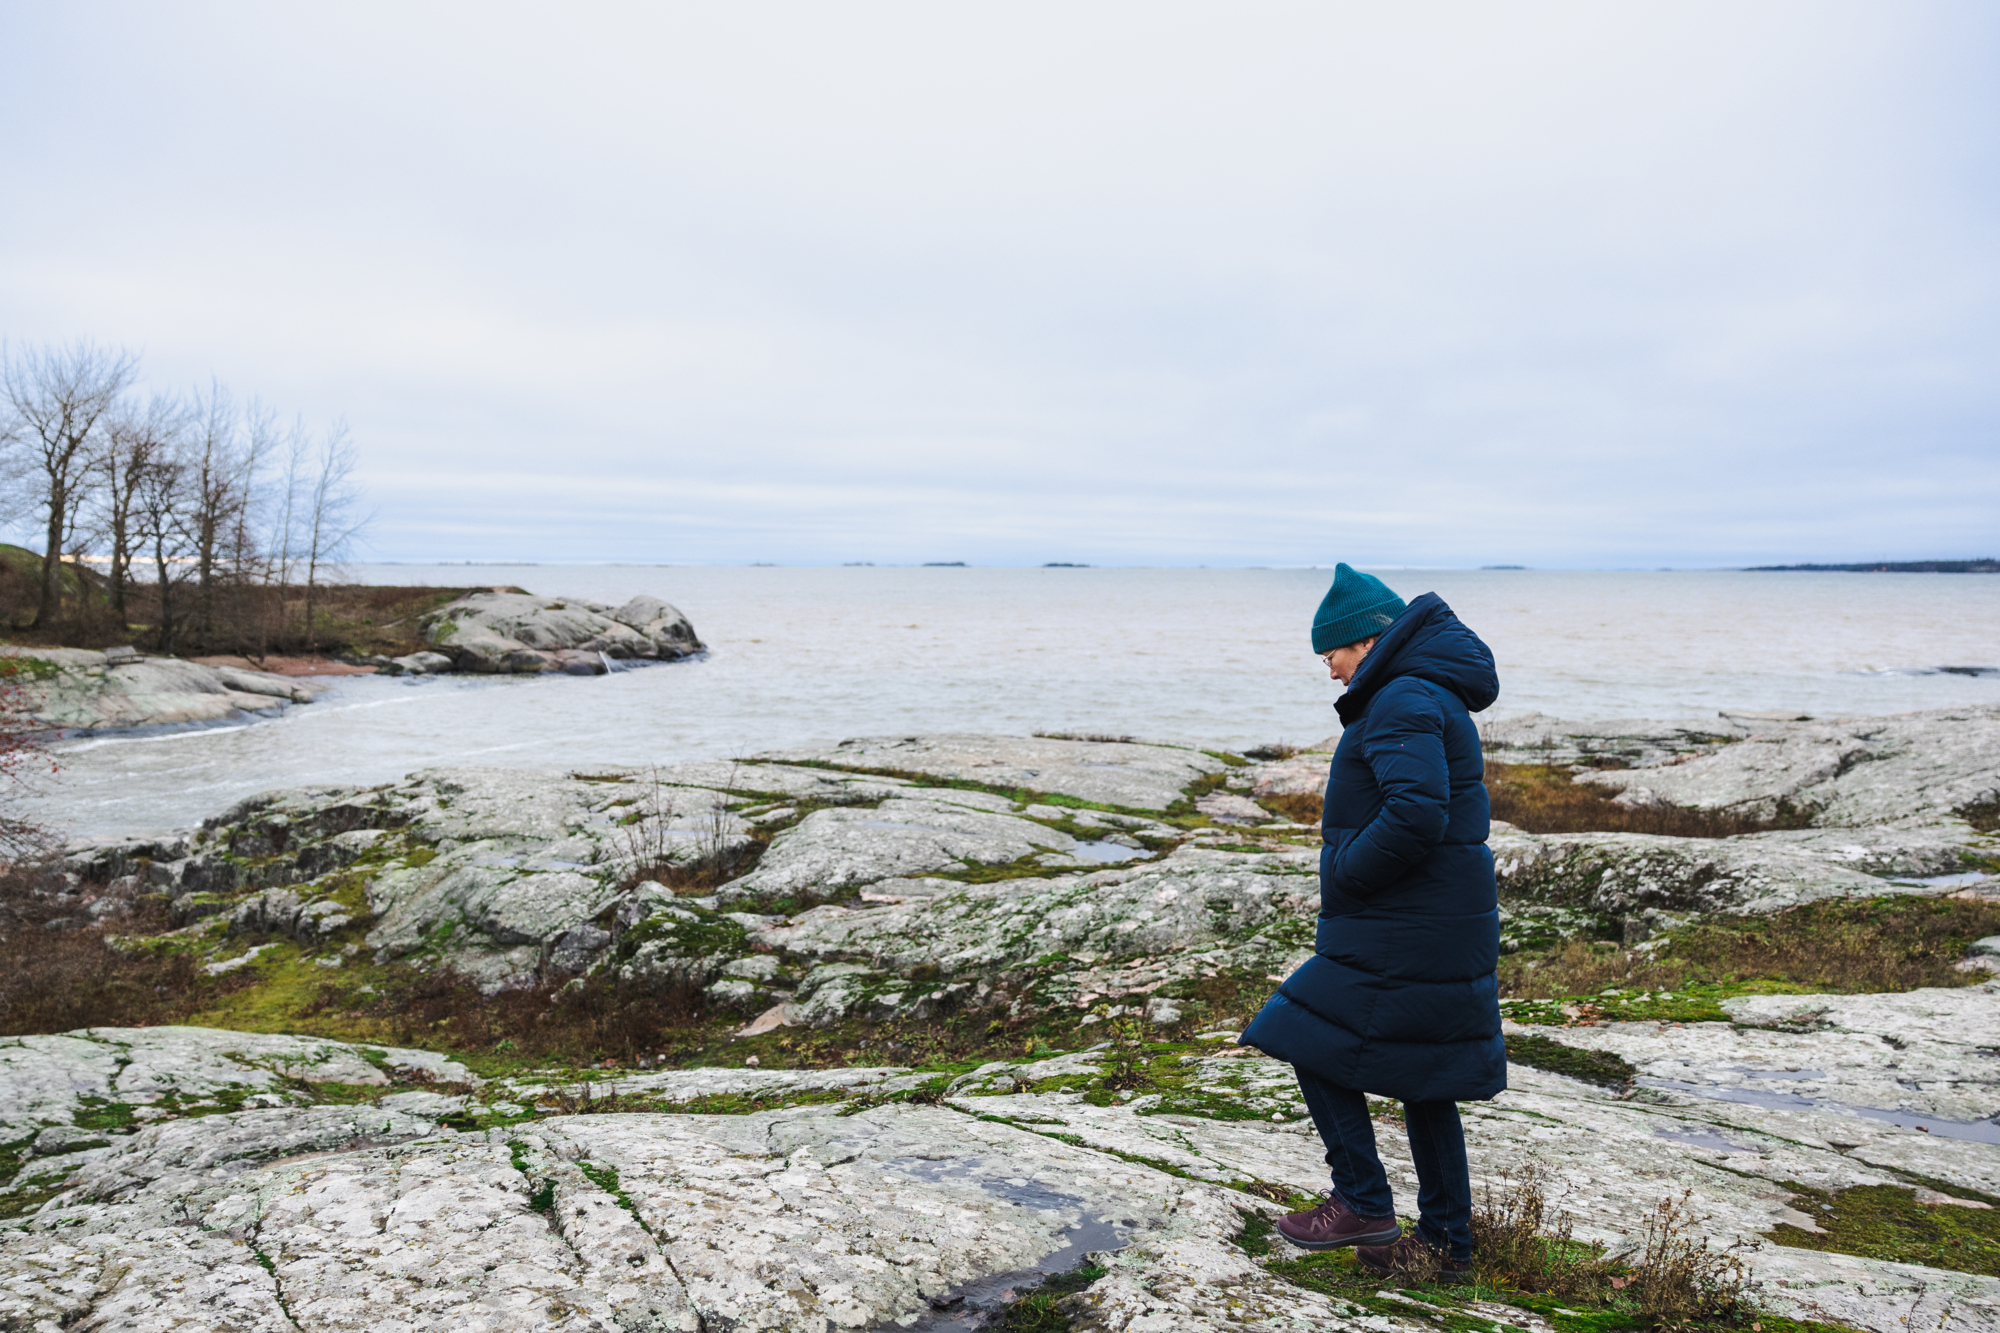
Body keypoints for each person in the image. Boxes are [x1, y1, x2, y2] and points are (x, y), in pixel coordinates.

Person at [1239, 563, 1504, 1282]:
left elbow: (1417, 812)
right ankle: (1447, 1248)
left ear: (1367, 639)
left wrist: (1347, 870)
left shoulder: (1401, 697)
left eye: (1331, 653)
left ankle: (1361, 1199)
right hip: (1438, 922)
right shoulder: (1425, 691)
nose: (1330, 672)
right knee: (1428, 1078)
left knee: (1297, 1029)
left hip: (1405, 925)